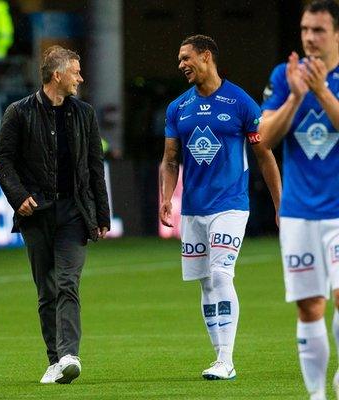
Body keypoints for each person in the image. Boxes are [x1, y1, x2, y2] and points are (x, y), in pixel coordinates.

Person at [159, 35, 281, 381]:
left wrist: (278, 204)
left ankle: (227, 359)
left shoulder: (240, 102)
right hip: (194, 209)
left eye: (186, 57)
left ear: (206, 56)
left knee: (221, 274)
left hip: (230, 204)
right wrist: (167, 198)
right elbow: (170, 159)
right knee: (205, 284)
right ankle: (218, 357)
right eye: (179, 59)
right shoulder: (178, 108)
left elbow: (264, 156)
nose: (181, 64)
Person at [0, 45, 111, 384]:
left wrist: (101, 213)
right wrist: (18, 197)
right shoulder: (19, 112)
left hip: (73, 211)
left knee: (67, 282)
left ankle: (70, 354)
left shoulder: (84, 113)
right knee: (46, 291)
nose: (81, 78)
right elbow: (3, 161)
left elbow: (94, 166)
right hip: (37, 212)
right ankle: (54, 359)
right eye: (76, 71)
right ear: (57, 75)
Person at [259, 1, 339, 398]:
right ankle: (317, 395)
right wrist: (294, 97)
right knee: (309, 306)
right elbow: (264, 139)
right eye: (306, 29)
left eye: (319, 30)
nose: (309, 37)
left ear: (337, 34)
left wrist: (321, 91)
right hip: (298, 213)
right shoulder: (283, 75)